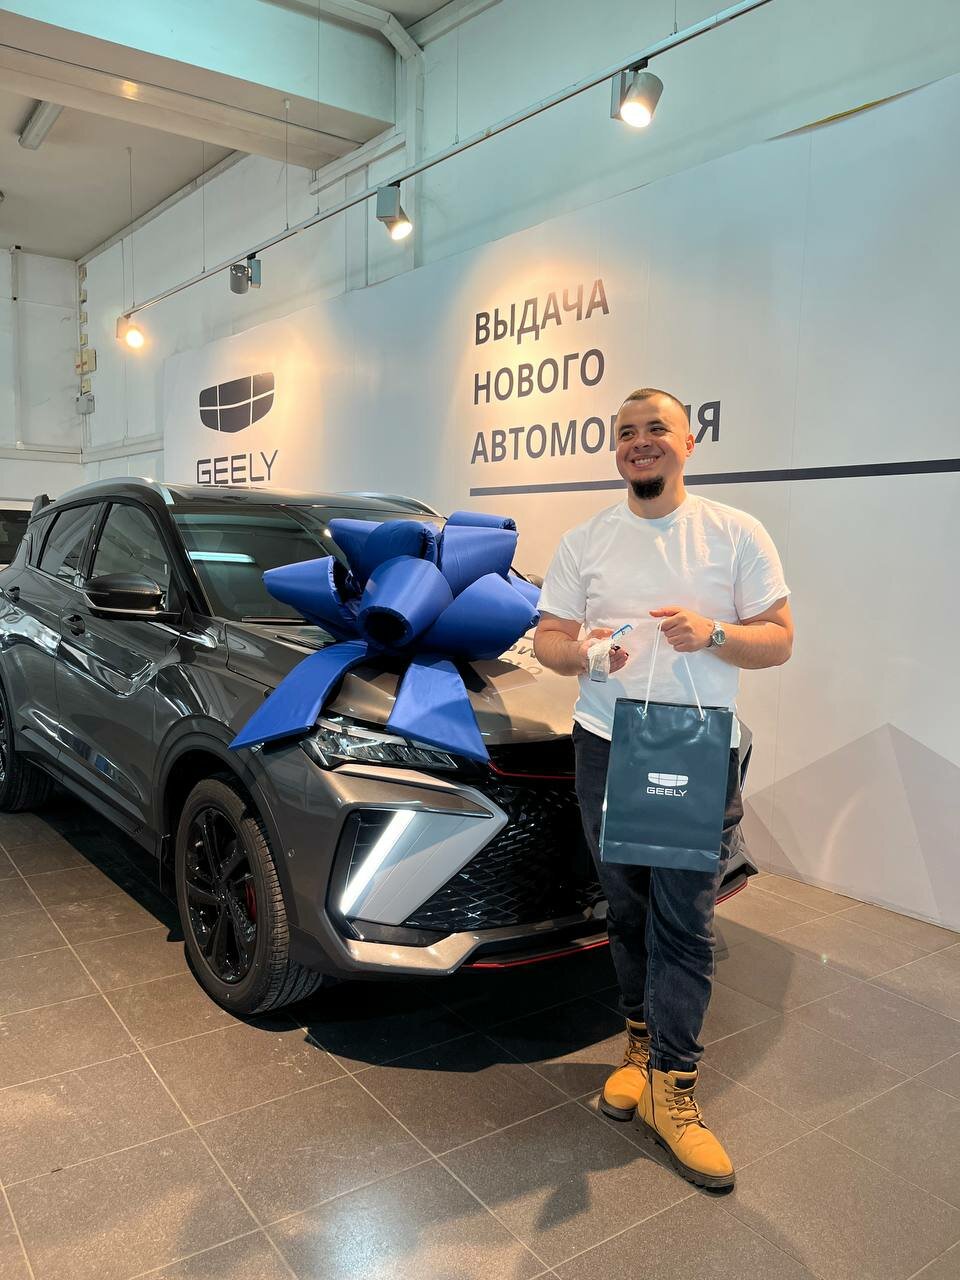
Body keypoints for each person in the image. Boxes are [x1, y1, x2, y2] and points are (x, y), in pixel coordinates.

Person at [533, 387, 793, 1190]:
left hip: (690, 747)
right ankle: (640, 1051)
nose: (639, 443)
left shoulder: (735, 533)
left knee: (685, 919)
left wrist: (713, 633)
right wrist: (584, 654)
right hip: (606, 746)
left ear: (688, 441)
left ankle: (675, 1087)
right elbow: (547, 639)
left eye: (656, 430)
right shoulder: (586, 541)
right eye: (626, 433)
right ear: (616, 449)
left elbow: (779, 639)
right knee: (626, 908)